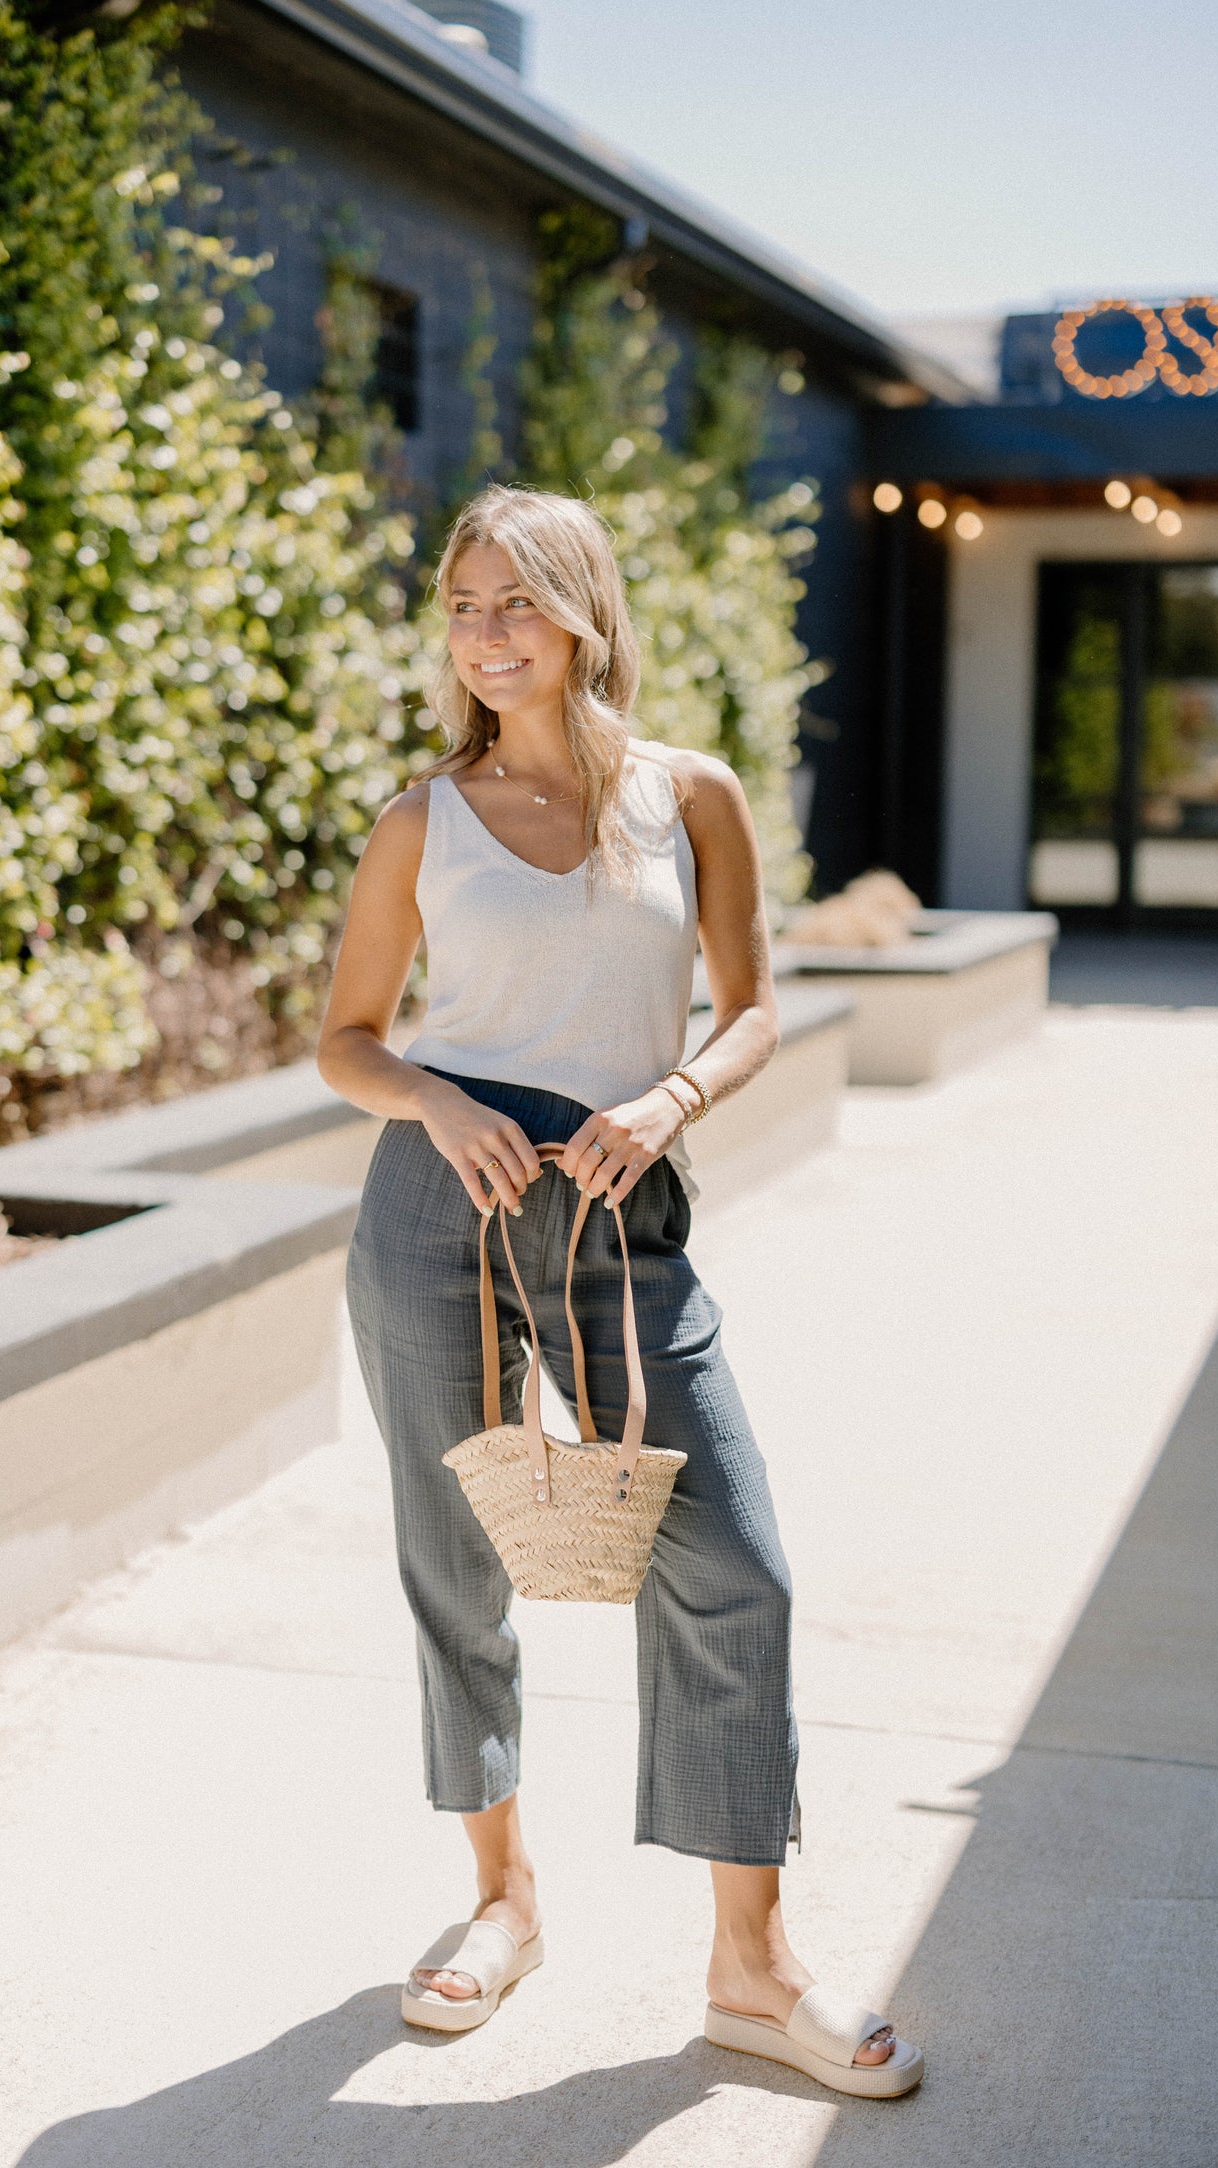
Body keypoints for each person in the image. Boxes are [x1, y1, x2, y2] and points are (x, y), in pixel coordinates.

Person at [317, 485, 923, 2099]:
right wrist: (435, 1102)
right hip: (434, 1207)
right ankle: (500, 1899)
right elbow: (347, 1038)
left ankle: (750, 1965)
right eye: (462, 605)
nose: (488, 635)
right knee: (455, 1562)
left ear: (585, 611)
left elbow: (750, 1007)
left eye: (517, 601)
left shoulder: (689, 796)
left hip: (618, 1201)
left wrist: (670, 1101)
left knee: (734, 1566)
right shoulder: (418, 816)